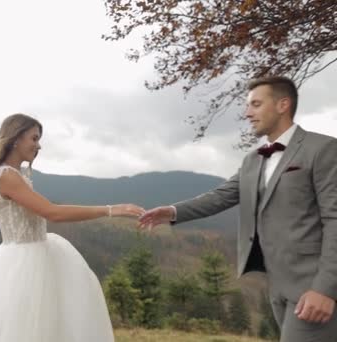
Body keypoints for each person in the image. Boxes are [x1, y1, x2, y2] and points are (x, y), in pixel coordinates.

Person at [139, 76, 337, 341]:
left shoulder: (323, 149)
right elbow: (221, 196)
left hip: (313, 287)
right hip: (277, 286)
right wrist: (173, 212)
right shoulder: (252, 159)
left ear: (283, 105)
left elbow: (335, 220)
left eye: (255, 104)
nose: (247, 113)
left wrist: (325, 289)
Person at [0, 113, 145, 341]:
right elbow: (52, 212)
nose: (39, 145)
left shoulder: (7, 175)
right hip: (26, 261)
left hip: (25, 256)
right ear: (16, 138)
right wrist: (110, 209)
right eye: (34, 138)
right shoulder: (8, 176)